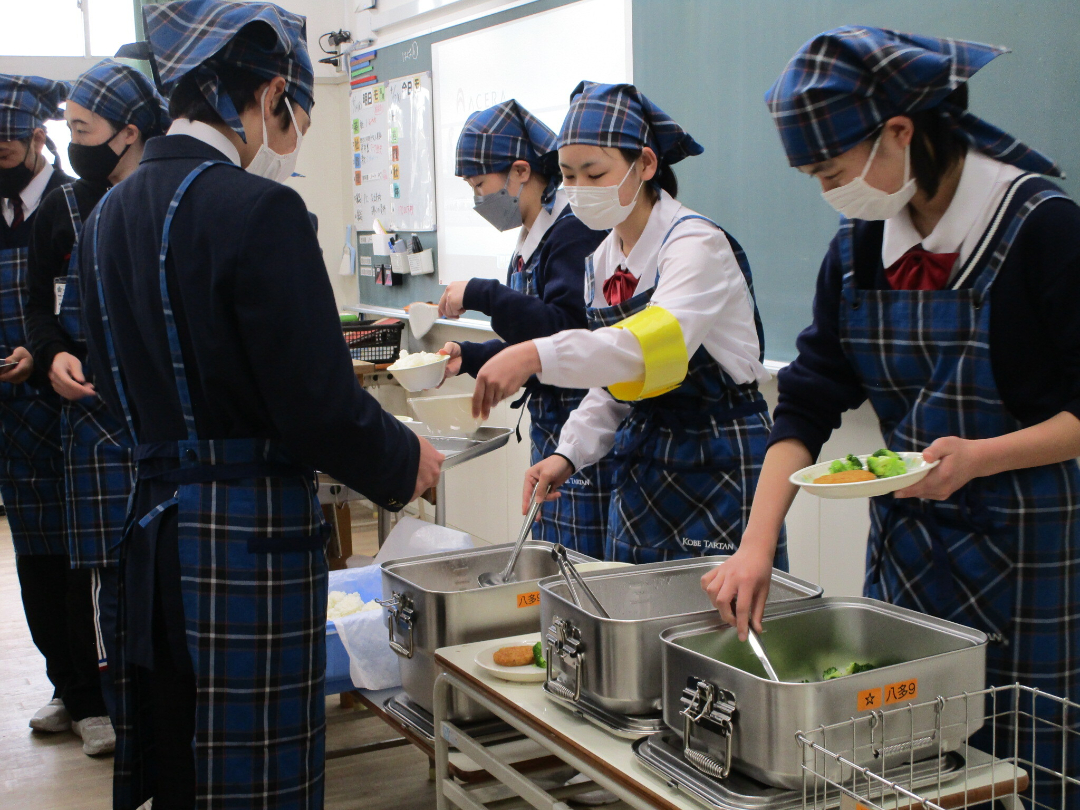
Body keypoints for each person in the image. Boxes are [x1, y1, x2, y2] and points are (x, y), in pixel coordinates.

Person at [78, 1, 443, 807]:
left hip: (147, 537)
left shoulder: (105, 217)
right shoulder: (260, 210)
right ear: (272, 88)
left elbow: (105, 379)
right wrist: (403, 459)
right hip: (245, 543)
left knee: (177, 761)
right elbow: (316, 405)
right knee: (256, 779)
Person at [708, 26, 1080, 807]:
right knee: (907, 768)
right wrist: (755, 547)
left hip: (1033, 556)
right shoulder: (856, 252)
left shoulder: (1042, 229)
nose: (827, 192)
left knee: (1033, 771)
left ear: (899, 133)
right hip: (910, 556)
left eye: (832, 171)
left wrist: (980, 458)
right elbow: (805, 403)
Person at [472, 82, 784, 567]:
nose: (578, 189)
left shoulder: (693, 245)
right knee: (631, 618)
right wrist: (568, 453)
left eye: (595, 173)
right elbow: (620, 385)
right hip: (643, 462)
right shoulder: (600, 260)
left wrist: (535, 353)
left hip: (718, 458)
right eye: (569, 175)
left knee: (718, 630)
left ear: (646, 164)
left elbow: (644, 351)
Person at [24, 59, 171, 746]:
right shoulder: (67, 207)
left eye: (82, 129)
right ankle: (123, 711)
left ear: (127, 133)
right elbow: (37, 309)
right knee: (112, 581)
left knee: (168, 574)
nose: (72, 142)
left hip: (165, 419)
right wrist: (52, 354)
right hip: (91, 420)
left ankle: (175, 715)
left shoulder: (174, 198)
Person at [437, 100, 611, 557]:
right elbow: (530, 342)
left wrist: (481, 294)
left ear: (520, 171)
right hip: (550, 428)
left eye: (480, 185)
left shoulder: (573, 232)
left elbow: (566, 334)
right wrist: (473, 357)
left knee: (580, 567)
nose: (478, 201)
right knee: (552, 561)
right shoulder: (531, 235)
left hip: (584, 429)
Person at [0, 74, 115, 749]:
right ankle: (64, 683)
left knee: (84, 560)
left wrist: (39, 354)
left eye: (8, 145)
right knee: (35, 561)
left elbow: (57, 305)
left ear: (37, 139)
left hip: (70, 405)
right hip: (11, 419)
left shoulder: (75, 206)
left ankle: (94, 692)